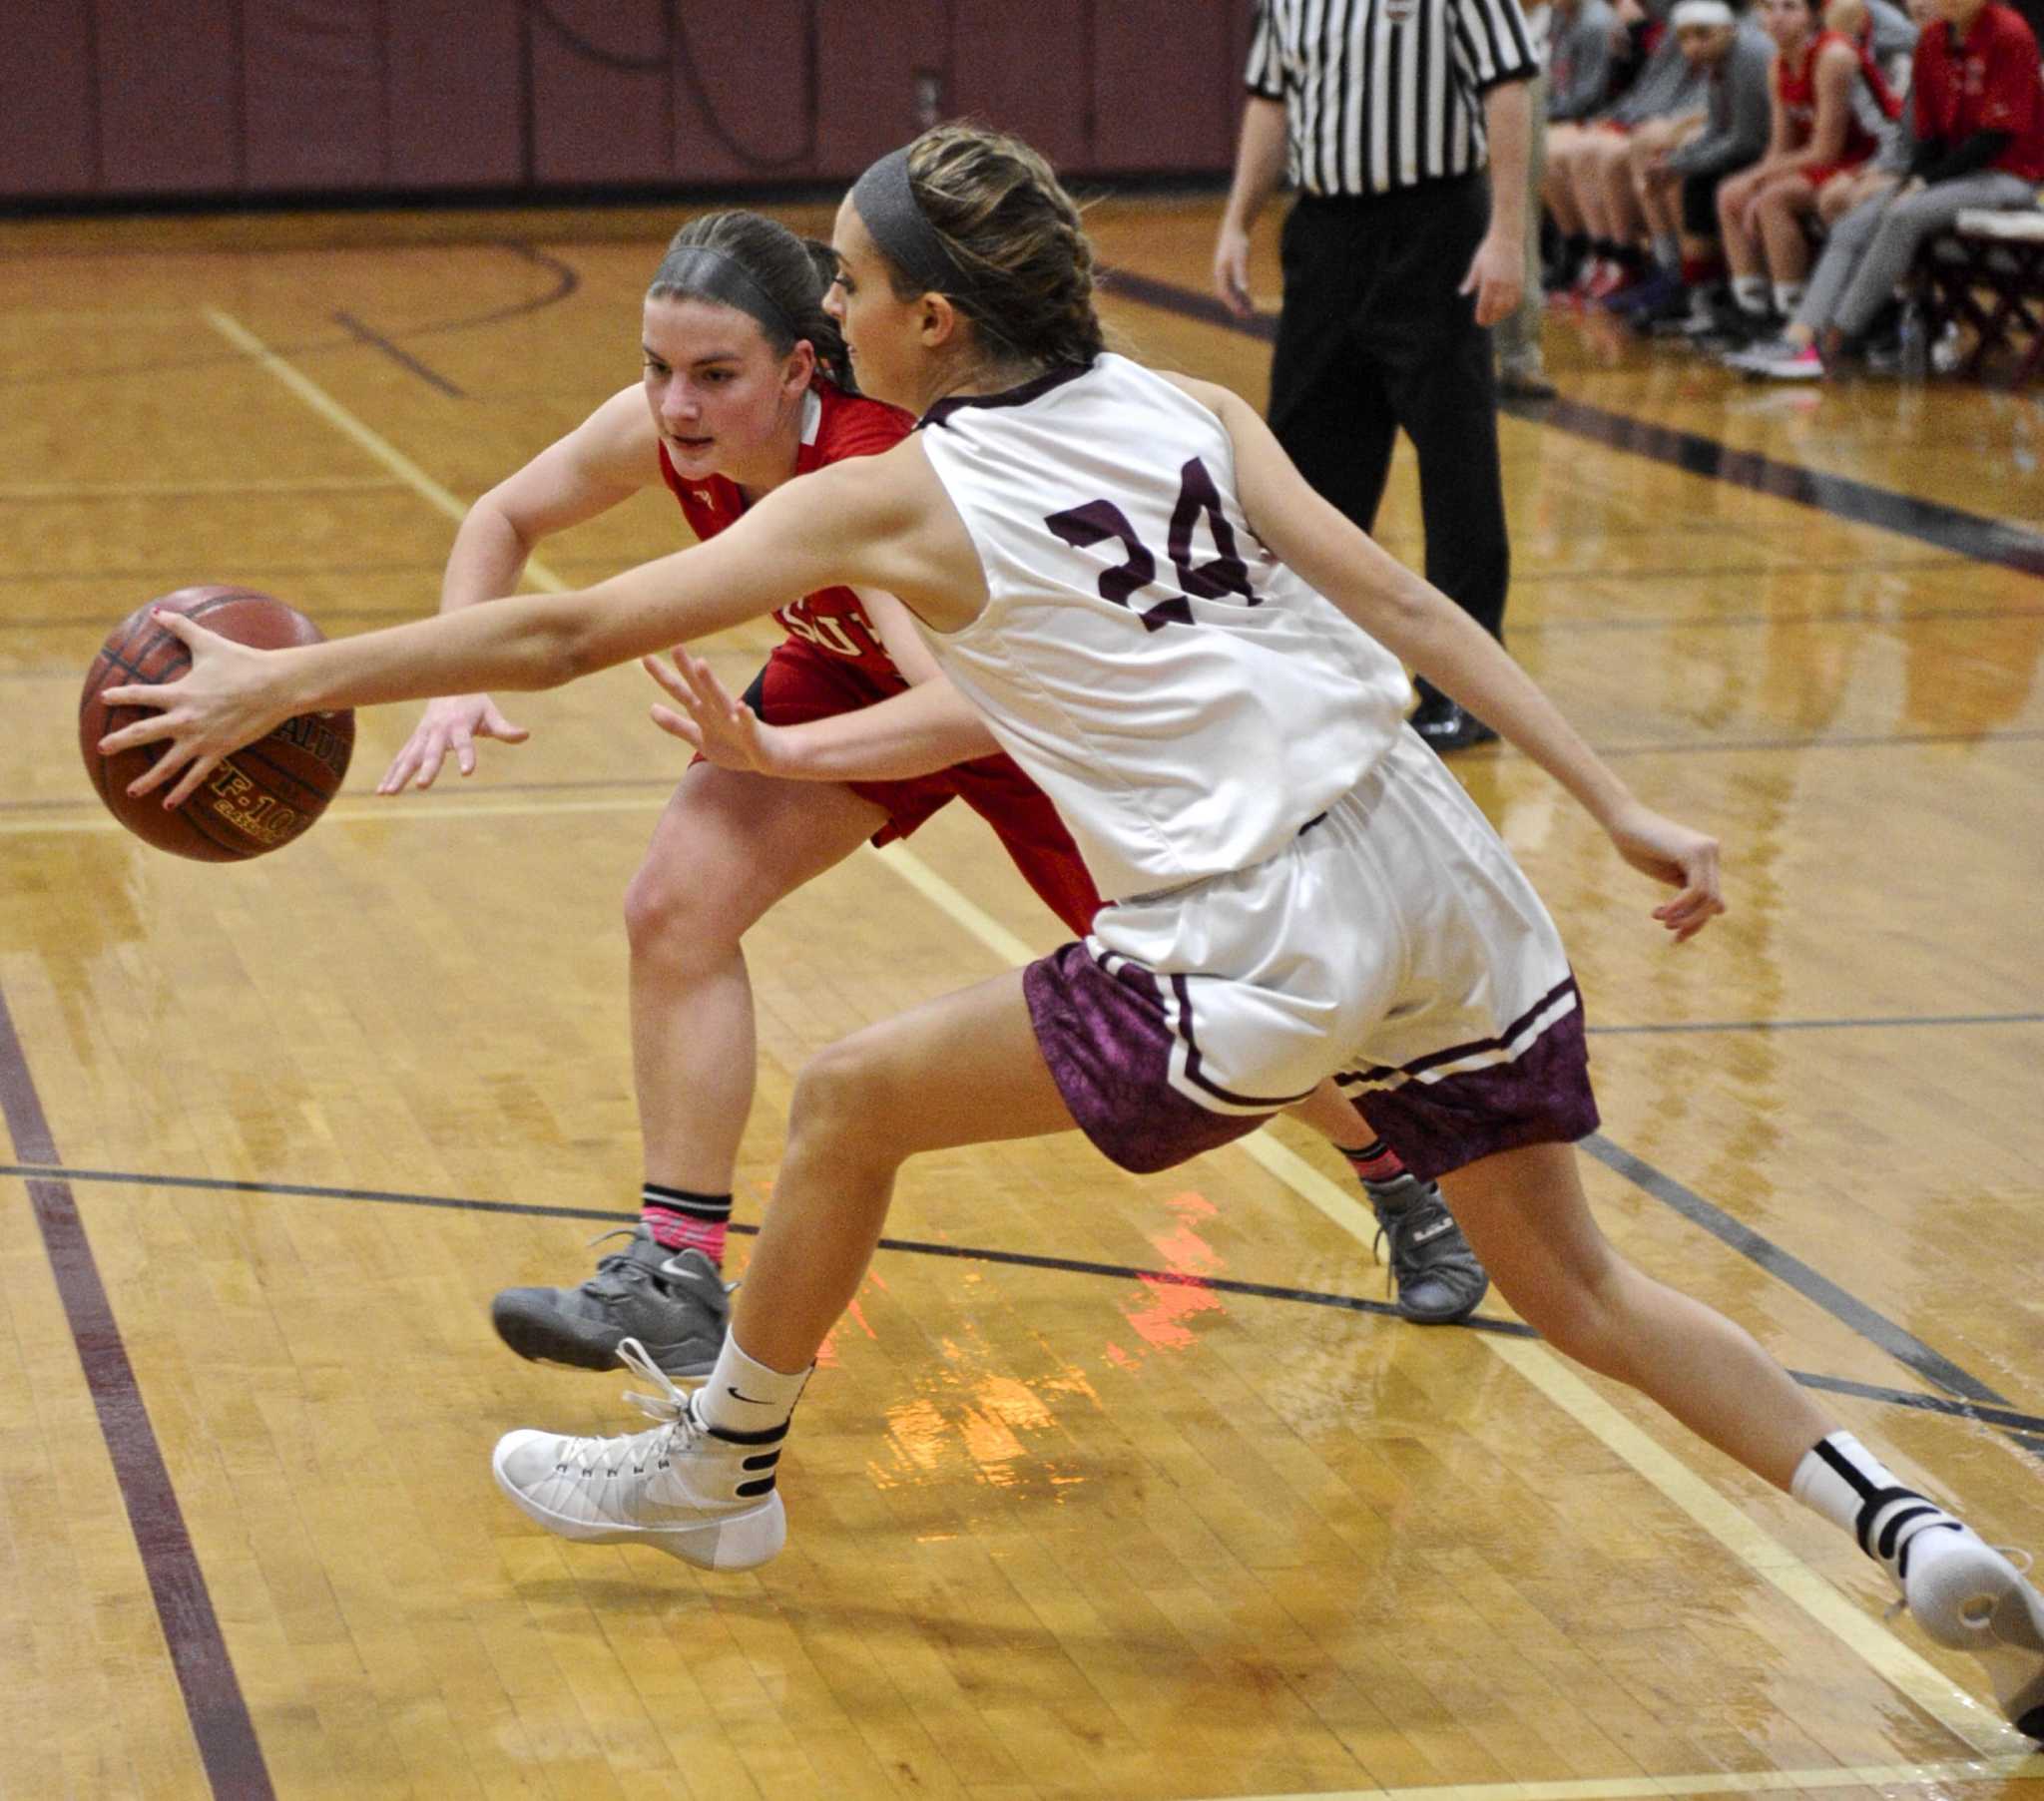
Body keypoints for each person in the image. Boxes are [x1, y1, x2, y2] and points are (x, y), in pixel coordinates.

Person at [99, 124, 2043, 1740]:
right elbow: (1422, 617)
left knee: (850, 1097)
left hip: (1255, 920)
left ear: (929, 318)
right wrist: (1619, 804)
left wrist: (300, 681)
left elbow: (561, 629)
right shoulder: (1188, 400)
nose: (833, 316)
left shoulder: (909, 493)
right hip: (1440, 863)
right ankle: (1896, 1517)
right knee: (1588, 1290)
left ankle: (720, 1470)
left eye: (847, 289)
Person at [376, 209, 1492, 1355]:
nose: (676, 406)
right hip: (857, 674)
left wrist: (783, 757)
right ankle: (673, 1272)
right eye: (657, 370)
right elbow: (503, 512)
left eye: (714, 375)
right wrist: (454, 673)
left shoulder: (871, 478)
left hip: (1035, 718)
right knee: (673, 904)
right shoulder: (675, 424)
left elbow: (965, 709)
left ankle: (1398, 1166)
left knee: (1204, 997)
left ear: (799, 366)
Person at [1213, 0, 1540, 753]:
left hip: (1435, 227)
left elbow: (1509, 85)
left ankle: (1465, 686)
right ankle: (1308, 663)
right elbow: (1271, 100)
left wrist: (1507, 233)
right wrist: (1237, 219)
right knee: (1301, 459)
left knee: (1455, 455)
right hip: (1327, 233)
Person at [1736, 0, 2043, 374]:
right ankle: (1798, 336)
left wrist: (1923, 182)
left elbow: (1997, 135)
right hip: (1950, 175)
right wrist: (1909, 178)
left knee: (1902, 214)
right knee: (1856, 220)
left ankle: (1833, 339)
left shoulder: (2010, 34)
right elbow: (1925, 134)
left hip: (2008, 176)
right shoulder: (1931, 39)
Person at [1712, 0, 1891, 333]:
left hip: (1872, 157)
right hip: (1830, 158)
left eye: (1789, 7)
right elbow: (1780, 147)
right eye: (1769, 8)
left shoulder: (1832, 56)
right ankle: (1752, 308)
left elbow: (1826, 150)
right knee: (1731, 192)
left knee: (1773, 199)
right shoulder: (1778, 61)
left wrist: (1762, 185)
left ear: (1812, 16)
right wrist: (1753, 181)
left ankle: (1791, 313)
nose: (1776, 17)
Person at [1623, 0, 1776, 327]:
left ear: (1727, 30)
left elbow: (1746, 141)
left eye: (1703, 35)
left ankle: (1719, 299)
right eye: (1686, 38)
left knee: (1698, 182)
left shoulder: (1748, 56)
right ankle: (1690, 285)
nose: (1693, 46)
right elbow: (1715, 131)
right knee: (1680, 171)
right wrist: (1674, 162)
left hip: (1771, 153)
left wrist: (1679, 166)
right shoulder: (1719, 61)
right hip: (1756, 148)